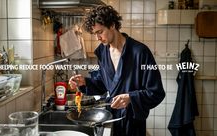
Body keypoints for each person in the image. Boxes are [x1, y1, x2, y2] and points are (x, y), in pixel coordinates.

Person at [69, 5, 165, 136]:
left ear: (112, 25)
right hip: (110, 119)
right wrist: (84, 82)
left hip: (133, 124)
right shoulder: (102, 52)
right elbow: (104, 84)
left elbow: (156, 92)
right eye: (94, 34)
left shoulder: (140, 52)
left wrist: (131, 98)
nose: (97, 38)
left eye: (100, 32)